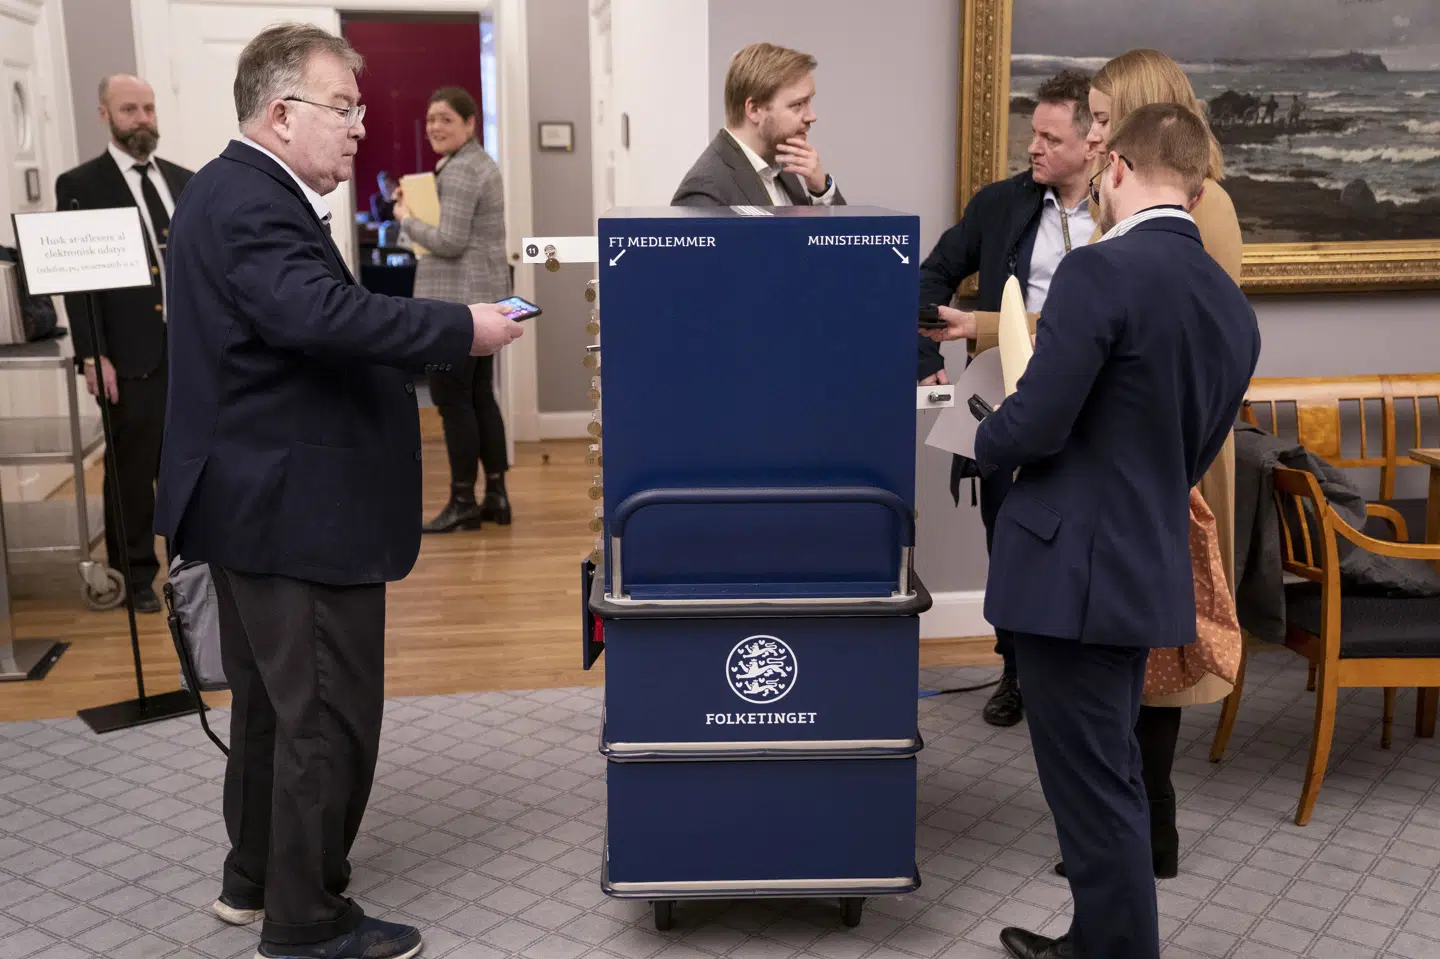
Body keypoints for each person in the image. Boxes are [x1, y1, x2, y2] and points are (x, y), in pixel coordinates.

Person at [155, 23, 524, 959]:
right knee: (326, 711)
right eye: (344, 108)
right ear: (281, 114)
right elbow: (314, 314)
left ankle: (255, 882)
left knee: (272, 704)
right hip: (292, 503)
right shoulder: (252, 202)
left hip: (251, 492)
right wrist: (461, 326)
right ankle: (306, 923)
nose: (361, 128)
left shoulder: (227, 188)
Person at [948, 102, 1260, 959]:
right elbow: (1193, 451)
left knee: (1091, 787)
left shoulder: (1098, 273)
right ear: (1195, 186)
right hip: (1144, 564)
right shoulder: (1233, 310)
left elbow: (1038, 421)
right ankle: (1097, 937)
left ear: (1115, 166)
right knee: (1112, 771)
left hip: (1068, 574)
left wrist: (982, 431)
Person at [1068, 48, 1245, 882]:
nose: (1094, 138)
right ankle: (1131, 833)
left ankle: (1147, 834)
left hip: (1171, 461)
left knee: (1160, 651)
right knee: (1135, 649)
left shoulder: (1201, 212)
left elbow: (1177, 339)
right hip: (1145, 455)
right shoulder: (1137, 206)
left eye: (1104, 121)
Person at [914, 69, 1094, 727]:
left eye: (1050, 137)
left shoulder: (1117, 215)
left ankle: (1080, 678)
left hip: (1094, 409)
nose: (1035, 148)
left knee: (1082, 543)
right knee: (1010, 542)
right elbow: (927, 275)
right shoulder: (1000, 205)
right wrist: (929, 357)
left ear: (1092, 141)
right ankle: (1015, 671)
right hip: (1006, 402)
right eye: (1033, 135)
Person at [55, 75, 194, 614]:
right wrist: (92, 353)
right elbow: (77, 280)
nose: (142, 119)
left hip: (188, 353)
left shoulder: (184, 180)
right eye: (130, 109)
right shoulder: (80, 185)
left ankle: (191, 568)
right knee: (133, 472)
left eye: (149, 108)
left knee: (190, 466)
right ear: (104, 115)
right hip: (128, 355)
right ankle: (134, 575)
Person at [395, 87, 514, 532]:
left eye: (445, 118)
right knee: (480, 396)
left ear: (470, 124)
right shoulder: (475, 164)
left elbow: (449, 241)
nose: (435, 128)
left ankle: (464, 501)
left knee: (453, 401)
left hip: (459, 306)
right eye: (429, 119)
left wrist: (404, 217)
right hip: (482, 300)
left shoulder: (463, 170)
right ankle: (495, 496)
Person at [672, 42, 844, 207]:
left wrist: (822, 191)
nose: (811, 116)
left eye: (809, 102)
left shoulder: (782, 166)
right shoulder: (704, 192)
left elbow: (829, 237)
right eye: (798, 104)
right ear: (754, 110)